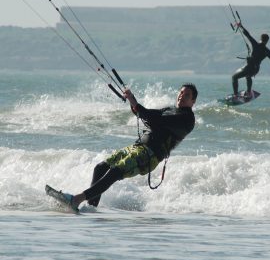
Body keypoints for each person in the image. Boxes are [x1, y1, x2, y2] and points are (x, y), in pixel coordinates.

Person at [64, 83, 198, 211]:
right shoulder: (170, 109)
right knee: (100, 168)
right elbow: (147, 115)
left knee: (115, 171)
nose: (181, 96)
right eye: (181, 93)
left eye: (187, 95)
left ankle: (76, 199)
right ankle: (90, 208)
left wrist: (136, 103)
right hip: (137, 148)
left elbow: (156, 120)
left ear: (193, 101)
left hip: (149, 155)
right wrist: (132, 102)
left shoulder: (187, 119)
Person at [232, 23, 270, 99]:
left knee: (234, 77)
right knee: (248, 76)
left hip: (249, 67)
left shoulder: (256, 44)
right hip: (255, 70)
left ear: (260, 38)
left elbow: (247, 35)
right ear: (267, 41)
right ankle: (248, 92)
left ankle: (235, 95)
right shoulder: (267, 51)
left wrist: (241, 26)